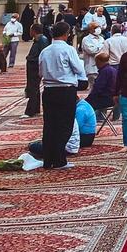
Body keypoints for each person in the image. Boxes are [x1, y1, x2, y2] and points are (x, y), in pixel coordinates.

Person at [38, 21, 86, 170]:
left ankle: (48, 160)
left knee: (50, 125)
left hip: (49, 91)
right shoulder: (68, 50)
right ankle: (59, 160)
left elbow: (40, 73)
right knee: (64, 126)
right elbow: (78, 68)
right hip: (65, 91)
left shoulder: (45, 51)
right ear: (66, 34)